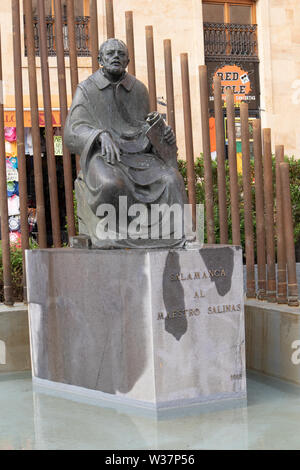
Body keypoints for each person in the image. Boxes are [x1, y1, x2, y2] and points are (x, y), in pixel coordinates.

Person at [64, 38, 188, 248]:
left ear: (128, 60)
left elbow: (142, 127)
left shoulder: (139, 89)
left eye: (120, 54)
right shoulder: (86, 89)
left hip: (138, 155)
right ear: (100, 59)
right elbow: (72, 131)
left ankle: (170, 235)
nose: (115, 57)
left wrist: (160, 134)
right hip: (104, 155)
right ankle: (116, 234)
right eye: (110, 53)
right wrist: (99, 135)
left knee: (171, 178)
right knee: (112, 184)